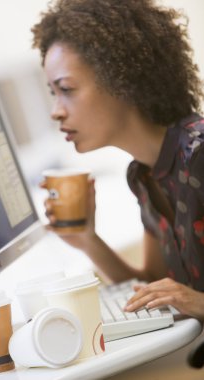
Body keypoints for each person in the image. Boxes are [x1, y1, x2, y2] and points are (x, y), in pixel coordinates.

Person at [31, 0, 204, 320]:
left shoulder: (201, 156)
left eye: (66, 89)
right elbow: (154, 289)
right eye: (53, 93)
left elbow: (187, 299)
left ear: (123, 81)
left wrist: (198, 303)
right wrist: (87, 241)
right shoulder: (142, 176)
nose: (56, 110)